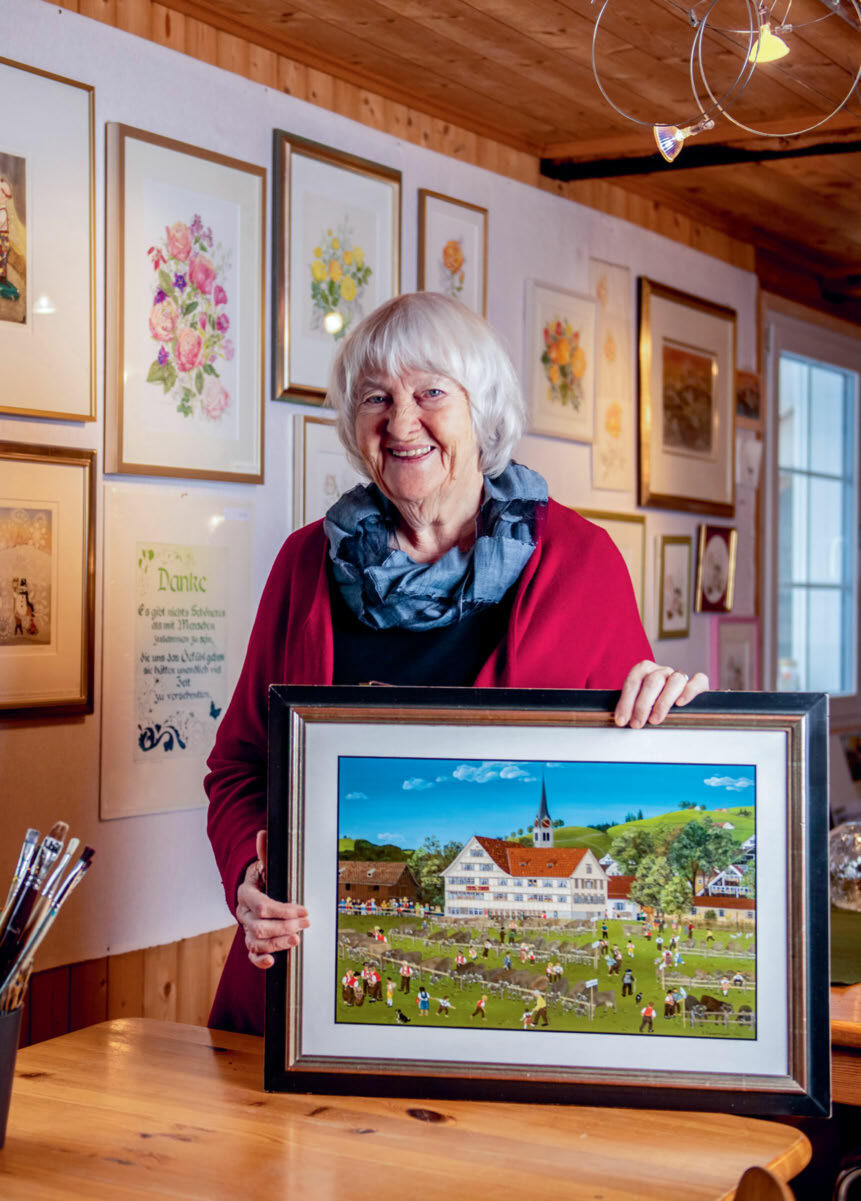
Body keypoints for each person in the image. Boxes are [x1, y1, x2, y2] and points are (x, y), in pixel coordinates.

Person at [204, 292, 708, 1035]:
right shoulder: (305, 563)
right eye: (376, 397)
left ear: (484, 410)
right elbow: (240, 767)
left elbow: (626, 755)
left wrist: (667, 709)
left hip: (512, 1041)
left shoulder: (579, 562)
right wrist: (250, 878)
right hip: (298, 1002)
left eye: (430, 392)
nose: (401, 422)